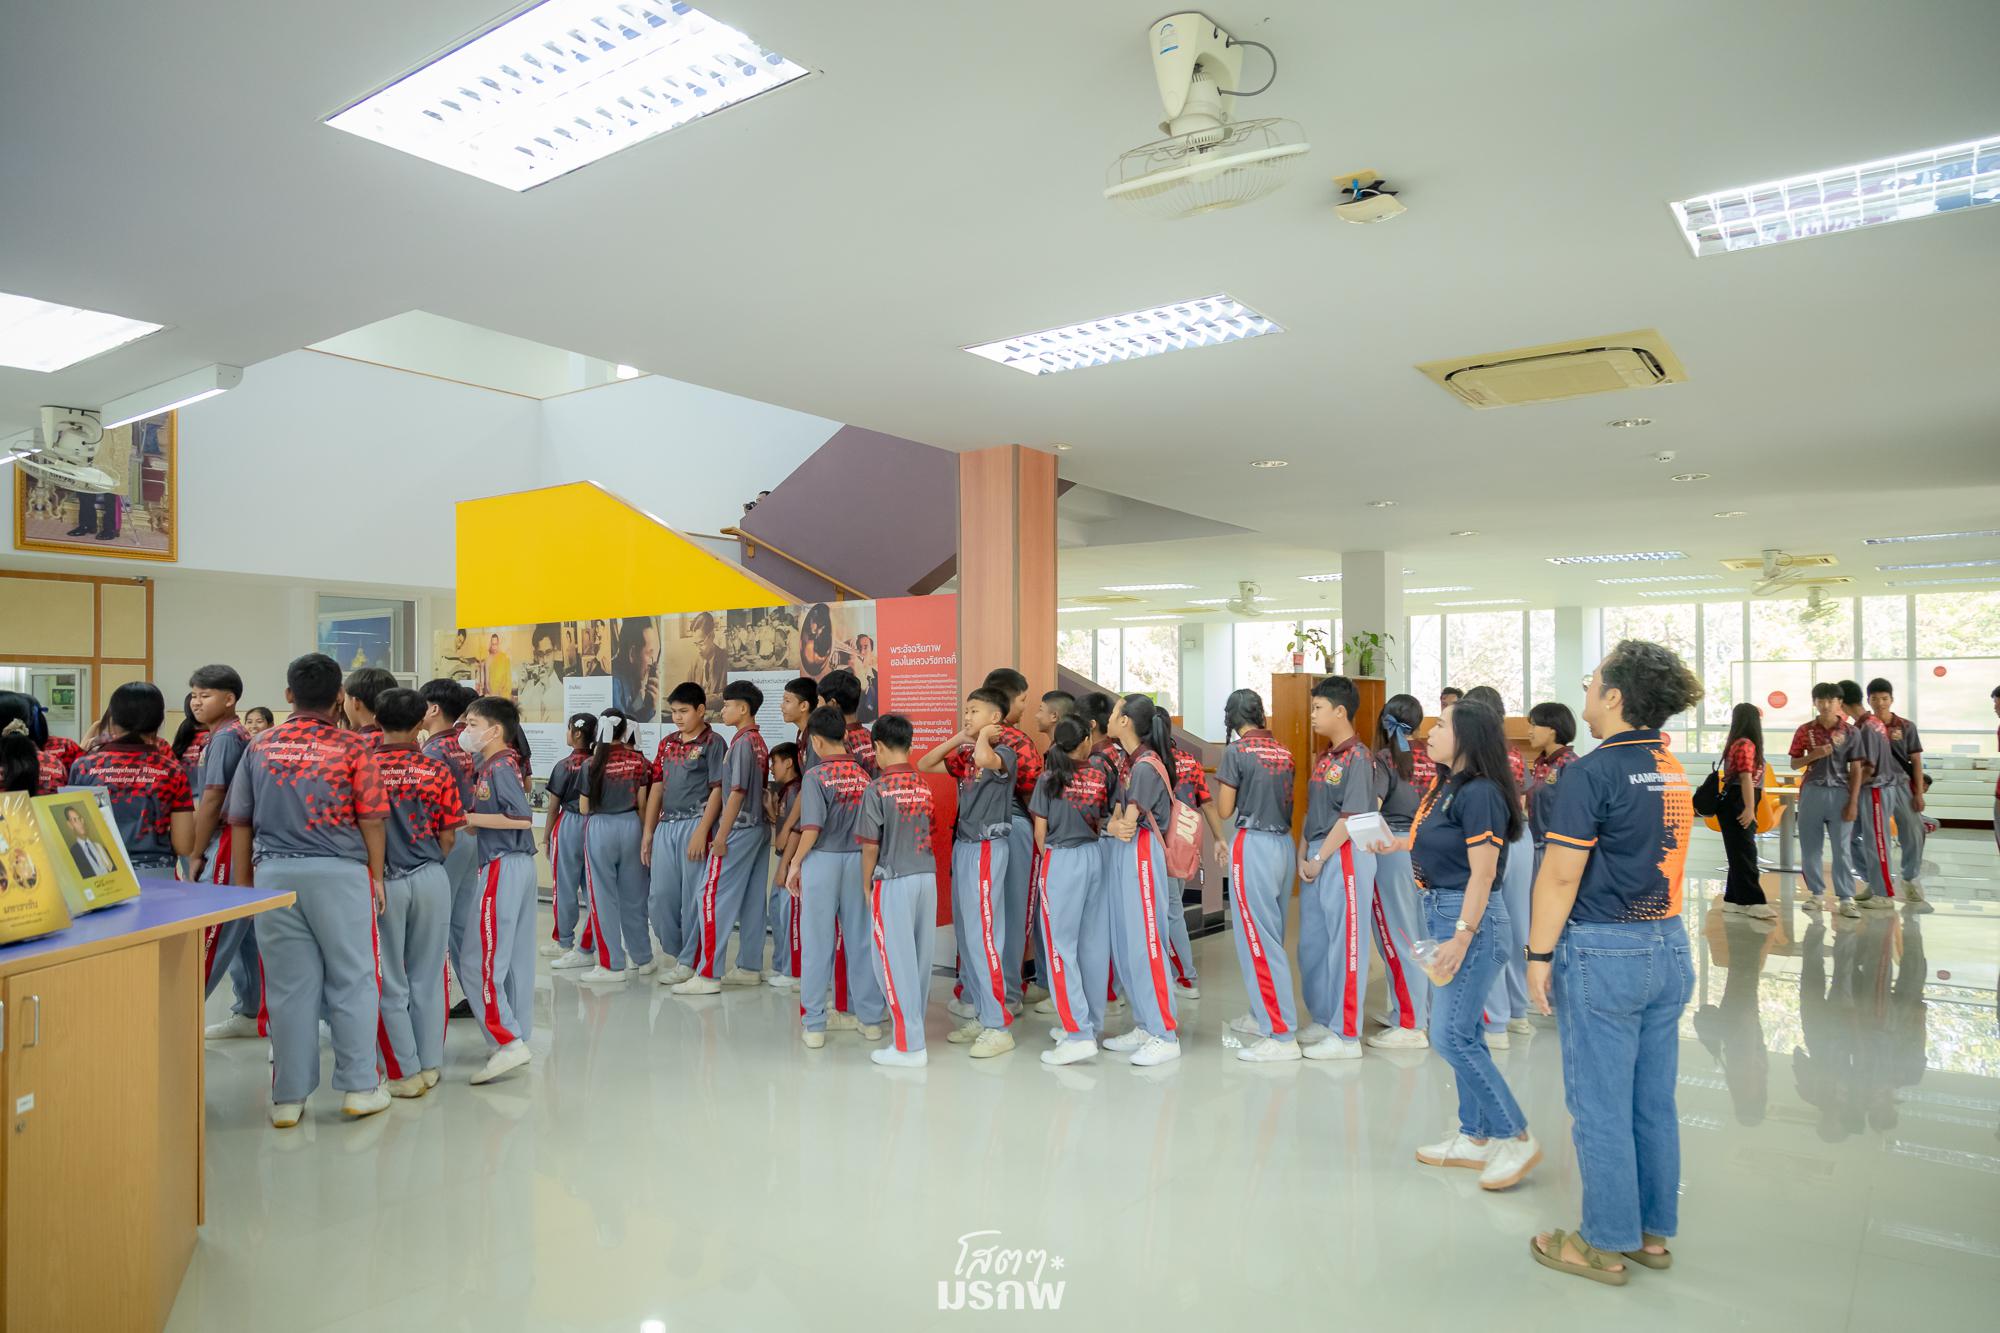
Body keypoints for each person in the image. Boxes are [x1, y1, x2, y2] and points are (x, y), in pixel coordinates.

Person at [1526, 639, 1702, 1284]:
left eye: (1592, 680)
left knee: (1599, 1104)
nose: (1586, 690)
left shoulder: (1592, 772)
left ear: (1616, 696)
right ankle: (1650, 1235)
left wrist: (1538, 954)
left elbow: (1560, 876)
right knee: (1651, 1102)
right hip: (1668, 943)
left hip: (1605, 951)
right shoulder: (1669, 765)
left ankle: (1600, 1242)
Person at [1367, 696, 1537, 1189]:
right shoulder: (1447, 786)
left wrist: (1462, 938)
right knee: (1466, 1032)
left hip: (1470, 920)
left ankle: (1515, 1136)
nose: (1430, 733)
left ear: (1467, 737)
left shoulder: (1481, 792)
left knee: (1448, 1035)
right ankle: (1474, 1137)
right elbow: (1441, 842)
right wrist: (1396, 843)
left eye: (1441, 725)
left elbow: (1482, 873)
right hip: (1444, 910)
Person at [224, 653, 391, 1126]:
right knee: (354, 978)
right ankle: (360, 1087)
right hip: (341, 875)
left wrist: (244, 886)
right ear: (339, 696)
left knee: (287, 987)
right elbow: (372, 819)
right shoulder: (353, 747)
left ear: (288, 695)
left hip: (274, 875)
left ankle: (288, 1098)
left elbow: (240, 821)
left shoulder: (260, 746)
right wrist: (376, 876)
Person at [369, 688, 465, 1098]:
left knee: (390, 978)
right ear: (421, 721)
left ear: (376, 721)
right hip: (430, 876)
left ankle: (402, 1069)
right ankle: (430, 1064)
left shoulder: (364, 767)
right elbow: (450, 835)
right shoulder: (437, 769)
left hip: (382, 882)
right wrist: (429, 860)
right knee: (429, 975)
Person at [919, 686, 1020, 1057]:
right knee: (967, 934)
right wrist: (959, 737)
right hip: (964, 846)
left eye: (974, 711)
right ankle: (981, 1011)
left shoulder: (1004, 753)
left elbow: (985, 757)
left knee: (984, 937)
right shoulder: (967, 754)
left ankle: (998, 1026)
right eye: (966, 710)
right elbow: (925, 763)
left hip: (987, 848)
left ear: (995, 718)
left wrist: (982, 738)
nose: (966, 716)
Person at [452, 695, 539, 1083]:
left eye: (473, 725)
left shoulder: (500, 765)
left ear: (495, 730)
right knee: (509, 957)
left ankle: (508, 1042)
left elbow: (521, 818)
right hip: (513, 863)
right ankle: (514, 1033)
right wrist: (477, 822)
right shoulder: (495, 764)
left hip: (504, 864)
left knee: (478, 960)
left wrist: (470, 817)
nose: (466, 732)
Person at [787, 706, 885, 1045]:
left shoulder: (816, 776)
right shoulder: (864, 776)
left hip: (822, 862)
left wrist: (795, 863)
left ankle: (815, 1024)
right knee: (861, 941)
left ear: (815, 741)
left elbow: (812, 828)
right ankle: (869, 1019)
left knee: (817, 943)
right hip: (859, 861)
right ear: (844, 736)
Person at [1214, 689, 1301, 1062]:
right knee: (1271, 936)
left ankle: (1280, 1034)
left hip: (1252, 846)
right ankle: (1259, 1014)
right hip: (1284, 845)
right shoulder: (1283, 751)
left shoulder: (1237, 752)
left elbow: (1224, 809)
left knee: (1257, 940)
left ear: (1232, 718)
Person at [1297, 676, 1380, 1059]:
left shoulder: (1358, 758)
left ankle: (1346, 1035)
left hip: (1342, 854)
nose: (1312, 715)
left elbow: (1351, 818)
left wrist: (1319, 859)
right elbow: (1312, 811)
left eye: (1318, 708)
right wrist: (1304, 854)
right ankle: (1324, 1017)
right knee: (1314, 945)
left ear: (1340, 711)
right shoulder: (1326, 758)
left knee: (1346, 944)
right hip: (1317, 853)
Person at [673, 680, 772, 993]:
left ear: (743, 709)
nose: (723, 710)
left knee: (710, 895)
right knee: (752, 899)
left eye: (727, 705)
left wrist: (721, 836)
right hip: (757, 828)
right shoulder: (758, 741)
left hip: (738, 829)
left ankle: (708, 974)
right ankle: (749, 966)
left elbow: (736, 793)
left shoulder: (742, 743)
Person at [1102, 693, 1184, 1067]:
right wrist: (1115, 824)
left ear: (1126, 721)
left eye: (1114, 712)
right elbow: (1118, 820)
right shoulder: (1131, 762)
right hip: (1129, 851)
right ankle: (1146, 1024)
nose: (1109, 717)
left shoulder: (1146, 766)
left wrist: (1114, 825)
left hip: (1141, 852)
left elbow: (1124, 824)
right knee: (1128, 943)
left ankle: (1164, 1033)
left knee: (1147, 943)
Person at [184, 665, 265, 1035]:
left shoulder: (227, 738)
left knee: (214, 933)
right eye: (194, 695)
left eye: (206, 695)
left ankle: (179, 1019)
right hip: (234, 837)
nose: (196, 702)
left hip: (230, 840)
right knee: (245, 932)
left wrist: (195, 851)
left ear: (229, 699)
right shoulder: (222, 735)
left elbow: (213, 798)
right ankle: (250, 1011)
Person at [857, 714, 938, 1068]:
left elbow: (870, 846)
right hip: (926, 877)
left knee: (892, 961)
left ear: (877, 747)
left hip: (892, 879)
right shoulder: (923, 784)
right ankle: (913, 1032)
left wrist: (866, 884)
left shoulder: (876, 789)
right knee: (919, 961)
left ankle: (908, 1046)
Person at [1032, 718, 1112, 1065]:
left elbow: (1040, 832)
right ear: (1086, 741)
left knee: (1060, 949)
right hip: (1095, 857)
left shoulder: (1049, 779)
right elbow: (1107, 817)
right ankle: (1090, 1024)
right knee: (1092, 947)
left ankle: (1078, 1033)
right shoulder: (1099, 775)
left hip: (1061, 860)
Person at [643, 683, 727, 987]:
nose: (678, 717)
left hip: (696, 824)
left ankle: (689, 960)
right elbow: (657, 787)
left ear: (701, 710)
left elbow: (718, 789)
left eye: (684, 711)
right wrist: (648, 832)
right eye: (674, 712)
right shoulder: (667, 743)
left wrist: (703, 830)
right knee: (659, 897)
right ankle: (681, 952)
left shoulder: (714, 743)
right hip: (666, 825)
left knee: (694, 898)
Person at [66, 682, 194, 875]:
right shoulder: (172, 771)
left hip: (99, 872)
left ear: (112, 720)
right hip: (156, 873)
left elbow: (72, 831)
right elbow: (184, 845)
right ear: (159, 721)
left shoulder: (83, 767)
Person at [1464, 685, 1532, 1043]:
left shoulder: (1479, 757)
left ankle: (1495, 1018)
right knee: (1517, 925)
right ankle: (1518, 1011)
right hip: (1520, 837)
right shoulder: (1514, 754)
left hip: (1492, 840)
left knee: (1489, 925)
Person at [1366, 692, 1431, 1049]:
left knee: (1398, 936)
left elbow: (1373, 809)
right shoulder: (1435, 756)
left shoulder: (1385, 758)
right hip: (1431, 850)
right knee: (1424, 935)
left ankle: (1410, 1022)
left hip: (1393, 852)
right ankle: (1423, 1013)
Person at [417, 680, 483, 1014]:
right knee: (462, 923)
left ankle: (432, 1001)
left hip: (448, 839)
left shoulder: (433, 751)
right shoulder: (461, 744)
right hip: (469, 835)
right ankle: (478, 996)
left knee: (437, 924)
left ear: (433, 708)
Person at [981, 667, 1043, 1010]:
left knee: (985, 913)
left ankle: (983, 992)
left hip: (978, 835)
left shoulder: (972, 739)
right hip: (1016, 827)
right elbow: (1035, 795)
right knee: (1016, 911)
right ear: (1006, 700)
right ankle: (1008, 993)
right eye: (1022, 700)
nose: (1024, 707)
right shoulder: (1019, 741)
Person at [579, 709, 654, 982]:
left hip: (601, 828)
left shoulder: (591, 764)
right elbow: (643, 805)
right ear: (625, 731)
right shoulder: (638, 761)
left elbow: (584, 807)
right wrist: (646, 836)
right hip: (633, 826)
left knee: (602, 899)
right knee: (635, 897)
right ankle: (643, 958)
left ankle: (611, 964)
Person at [1789, 683, 1857, 918]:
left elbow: (1857, 767)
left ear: (1839, 703)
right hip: (1812, 792)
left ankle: (1846, 897)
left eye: (1831, 700)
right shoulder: (1804, 730)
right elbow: (1794, 763)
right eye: (1821, 700)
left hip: (1841, 792)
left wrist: (1854, 800)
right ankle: (1816, 893)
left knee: (1842, 848)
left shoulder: (1850, 732)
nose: (1826, 705)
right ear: (1815, 703)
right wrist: (1814, 755)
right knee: (1810, 847)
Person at [541, 713, 596, 967]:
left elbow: (553, 807)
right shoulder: (597, 763)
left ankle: (564, 941)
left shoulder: (564, 765)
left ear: (576, 733)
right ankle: (592, 939)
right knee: (593, 886)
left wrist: (545, 838)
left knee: (564, 885)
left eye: (568, 729)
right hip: (594, 824)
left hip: (569, 825)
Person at [1864, 678, 1926, 903]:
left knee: (1913, 831)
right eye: (1874, 699)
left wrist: (1918, 793)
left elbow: (1916, 761)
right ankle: (1875, 882)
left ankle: (1909, 878)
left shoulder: (1906, 726)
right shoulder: (1863, 726)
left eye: (1884, 698)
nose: (1880, 703)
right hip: (1874, 786)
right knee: (1874, 837)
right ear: (1868, 700)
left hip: (1901, 785)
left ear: (1891, 699)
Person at [1840, 680, 1899, 910]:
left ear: (1841, 703)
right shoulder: (1867, 723)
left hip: (1876, 789)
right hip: (1871, 789)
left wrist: (1850, 792)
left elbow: (1867, 769)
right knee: (1850, 837)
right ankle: (1874, 882)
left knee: (1876, 841)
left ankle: (1884, 893)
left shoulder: (1866, 728)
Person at [1717, 703, 1773, 919]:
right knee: (1746, 852)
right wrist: (1749, 808)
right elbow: (1746, 778)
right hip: (1739, 801)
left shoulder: (1739, 743)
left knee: (1739, 851)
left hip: (1738, 799)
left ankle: (1733, 899)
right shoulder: (1745, 744)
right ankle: (1754, 901)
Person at [764, 740, 803, 990]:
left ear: (789, 762)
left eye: (775, 763)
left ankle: (793, 971)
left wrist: (784, 867)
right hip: (783, 858)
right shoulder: (786, 791)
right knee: (777, 912)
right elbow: (782, 829)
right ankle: (781, 965)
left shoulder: (797, 791)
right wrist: (771, 811)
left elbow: (796, 832)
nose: (771, 768)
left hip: (790, 862)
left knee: (791, 918)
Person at [1525, 702, 1580, 876]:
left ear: (1552, 729)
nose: (1529, 731)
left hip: (1557, 851)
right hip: (1537, 846)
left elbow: (1575, 815)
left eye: (1534, 725)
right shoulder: (1541, 763)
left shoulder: (1570, 765)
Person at [610, 619, 661, 722]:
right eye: (649, 653)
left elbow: (632, 716)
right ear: (632, 653)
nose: (652, 663)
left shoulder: (631, 676)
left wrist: (648, 706)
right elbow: (623, 729)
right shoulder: (614, 685)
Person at [62, 804, 117, 877]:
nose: (80, 823)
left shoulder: (99, 846)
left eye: (79, 818)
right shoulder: (73, 854)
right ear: (70, 825)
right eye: (74, 820)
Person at [484, 634, 513, 701]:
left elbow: (508, 678)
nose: (494, 647)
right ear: (491, 644)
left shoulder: (504, 657)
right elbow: (487, 682)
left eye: (496, 644)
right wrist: (493, 694)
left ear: (498, 644)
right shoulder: (488, 660)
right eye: (493, 644)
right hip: (493, 694)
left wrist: (502, 693)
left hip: (504, 694)